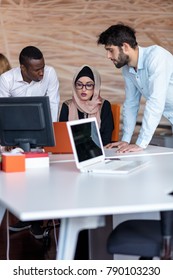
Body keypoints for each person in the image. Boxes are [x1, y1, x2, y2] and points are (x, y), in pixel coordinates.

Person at [0, 46, 60, 239]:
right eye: (36, 69)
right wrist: (6, 139)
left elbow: (52, 106)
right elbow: (2, 114)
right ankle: (24, 216)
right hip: (12, 137)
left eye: (42, 67)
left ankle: (36, 220)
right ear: (23, 68)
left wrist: (48, 138)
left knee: (41, 177)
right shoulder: (6, 80)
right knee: (12, 178)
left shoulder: (50, 74)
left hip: (40, 134)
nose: (41, 72)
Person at [97, 23, 173, 153]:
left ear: (125, 47)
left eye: (110, 50)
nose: (108, 56)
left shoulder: (156, 57)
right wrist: (126, 139)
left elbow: (155, 102)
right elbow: (131, 103)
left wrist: (141, 143)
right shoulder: (127, 70)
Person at [59, 64, 114, 146]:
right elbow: (62, 136)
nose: (83, 89)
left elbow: (106, 137)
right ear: (74, 86)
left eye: (89, 85)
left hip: (99, 152)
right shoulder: (67, 106)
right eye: (79, 84)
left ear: (96, 86)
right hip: (72, 153)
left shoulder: (104, 105)